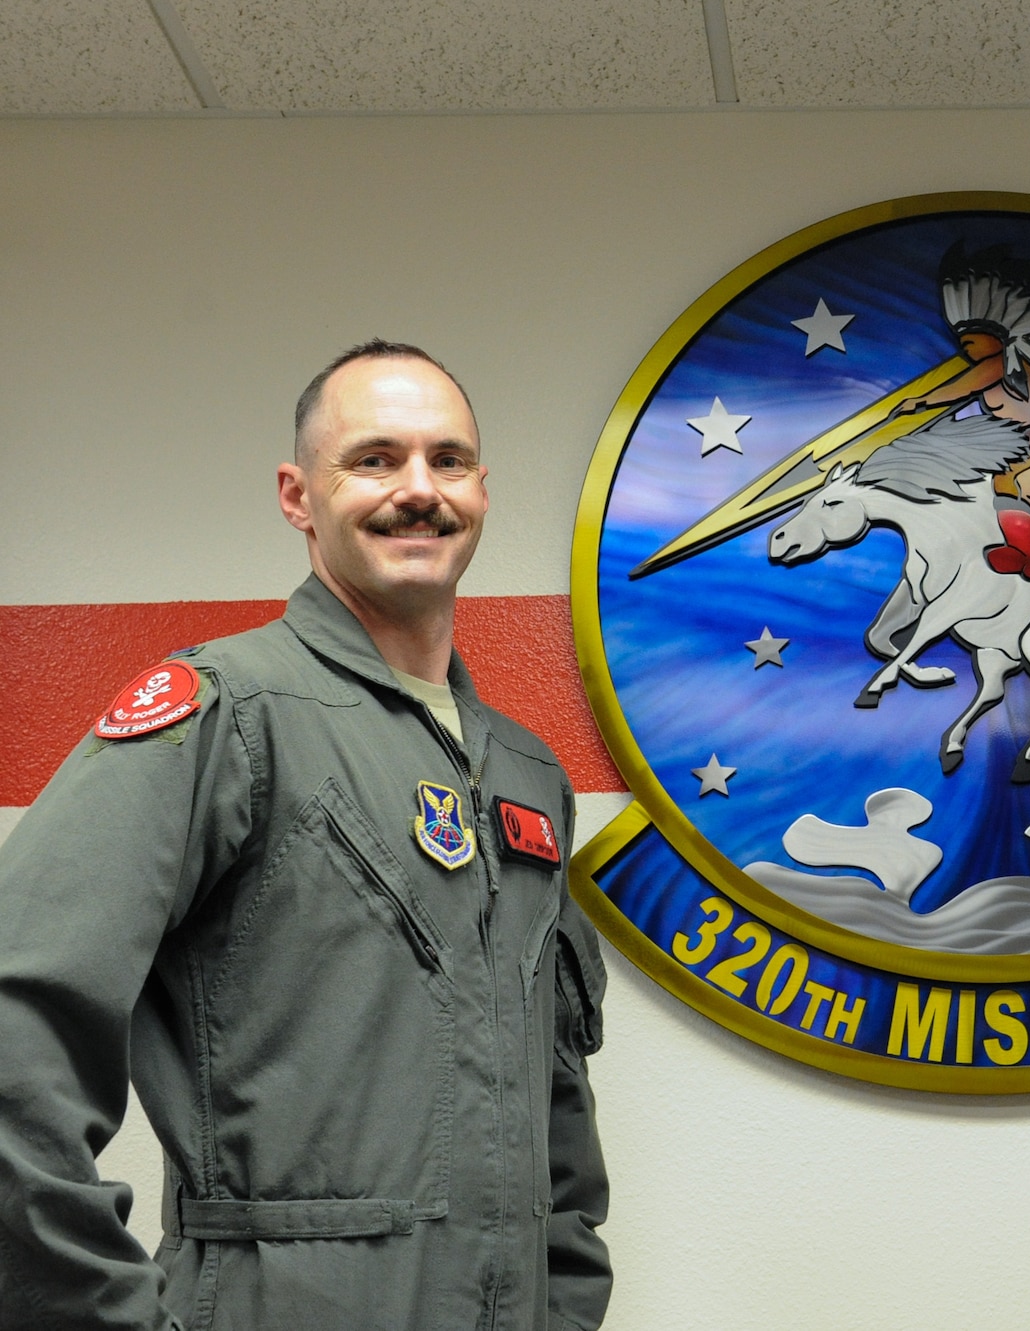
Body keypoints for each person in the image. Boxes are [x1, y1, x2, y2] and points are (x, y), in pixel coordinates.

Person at [0, 341, 613, 1329]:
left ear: (482, 491)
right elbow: (14, 1021)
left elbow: (559, 1113)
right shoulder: (225, 713)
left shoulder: (525, 773)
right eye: (375, 458)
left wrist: (569, 1301)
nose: (420, 488)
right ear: (297, 495)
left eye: (447, 459)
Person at [889, 242, 1030, 581]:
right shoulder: (1010, 364)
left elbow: (964, 387)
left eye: (970, 341)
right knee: (1002, 488)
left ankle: (1021, 552)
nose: (965, 348)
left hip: (1025, 443)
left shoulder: (1001, 364)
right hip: (1024, 444)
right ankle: (1017, 550)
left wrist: (921, 401)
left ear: (997, 336)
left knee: (1005, 484)